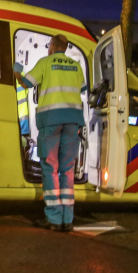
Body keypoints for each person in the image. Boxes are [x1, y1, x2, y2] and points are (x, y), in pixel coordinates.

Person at [14, 34, 87, 232]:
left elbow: (27, 84)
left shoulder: (45, 62)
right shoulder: (76, 65)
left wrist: (17, 72)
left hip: (51, 121)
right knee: (67, 169)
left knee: (50, 168)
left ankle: (54, 218)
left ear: (53, 46)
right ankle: (67, 219)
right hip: (73, 121)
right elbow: (83, 88)